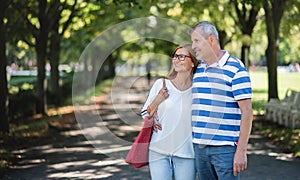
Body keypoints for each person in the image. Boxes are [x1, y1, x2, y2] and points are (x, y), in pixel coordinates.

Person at [190, 21, 253, 180]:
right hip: (200, 147)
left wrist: (241, 151)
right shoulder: (198, 70)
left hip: (224, 150)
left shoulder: (235, 69)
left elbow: (247, 111)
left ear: (211, 39)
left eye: (196, 41)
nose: (193, 46)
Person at [141, 44, 199, 180]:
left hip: (187, 152)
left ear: (193, 63)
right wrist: (158, 100)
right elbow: (145, 113)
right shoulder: (161, 84)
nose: (176, 60)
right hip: (159, 150)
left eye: (182, 56)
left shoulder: (198, 90)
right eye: (175, 56)